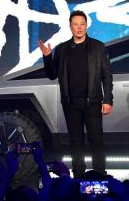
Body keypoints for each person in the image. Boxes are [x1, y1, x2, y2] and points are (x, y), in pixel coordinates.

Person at [38, 10, 113, 177]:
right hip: (70, 103)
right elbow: (52, 75)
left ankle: (100, 174)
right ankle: (78, 176)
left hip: (92, 102)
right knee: (75, 142)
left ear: (86, 26)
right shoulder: (62, 49)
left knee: (96, 141)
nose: (79, 28)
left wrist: (108, 99)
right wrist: (47, 57)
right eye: (75, 24)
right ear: (70, 27)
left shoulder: (98, 47)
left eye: (82, 24)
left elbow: (106, 75)